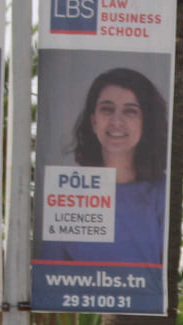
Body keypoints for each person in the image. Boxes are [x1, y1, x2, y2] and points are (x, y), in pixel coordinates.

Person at [42, 68, 168, 264]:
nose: (116, 121)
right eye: (107, 109)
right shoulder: (67, 192)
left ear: (146, 123)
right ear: (93, 121)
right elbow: (50, 273)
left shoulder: (163, 193)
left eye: (130, 111)